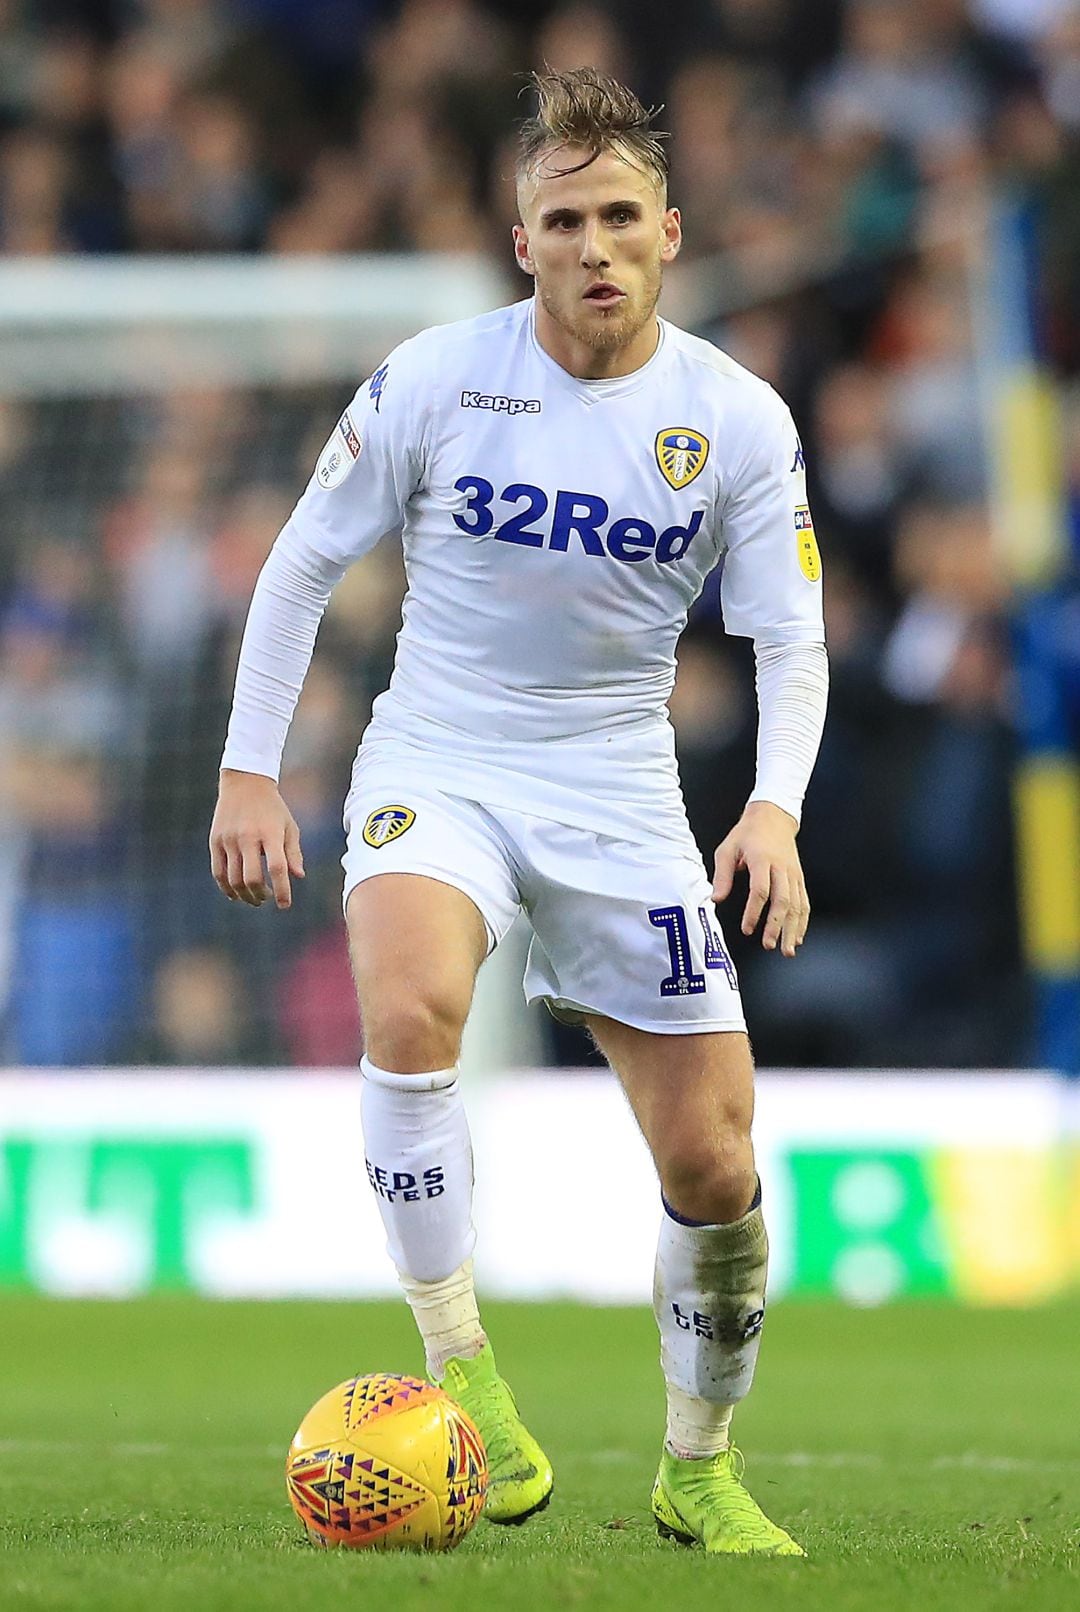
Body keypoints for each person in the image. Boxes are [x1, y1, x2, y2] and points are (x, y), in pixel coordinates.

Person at [210, 68, 827, 1557]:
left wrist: (774, 810)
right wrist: (248, 766)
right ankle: (463, 1374)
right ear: (522, 240)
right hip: (443, 755)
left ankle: (698, 1466)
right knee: (411, 1010)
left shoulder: (735, 421)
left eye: (622, 215)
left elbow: (789, 638)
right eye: (567, 219)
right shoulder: (435, 375)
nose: (596, 244)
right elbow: (299, 566)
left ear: (670, 233)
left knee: (716, 1162)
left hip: (619, 787)